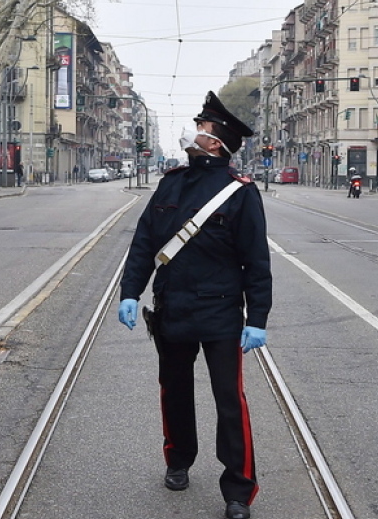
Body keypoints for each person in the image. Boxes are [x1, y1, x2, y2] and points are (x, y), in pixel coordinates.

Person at [118, 92, 271, 519]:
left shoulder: (240, 193)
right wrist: (130, 291)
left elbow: (257, 262)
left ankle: (238, 489)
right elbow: (144, 243)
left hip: (220, 313)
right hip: (173, 309)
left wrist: (257, 318)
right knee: (175, 391)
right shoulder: (171, 182)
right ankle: (178, 460)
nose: (193, 131)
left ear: (215, 141)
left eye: (200, 127)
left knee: (229, 400)